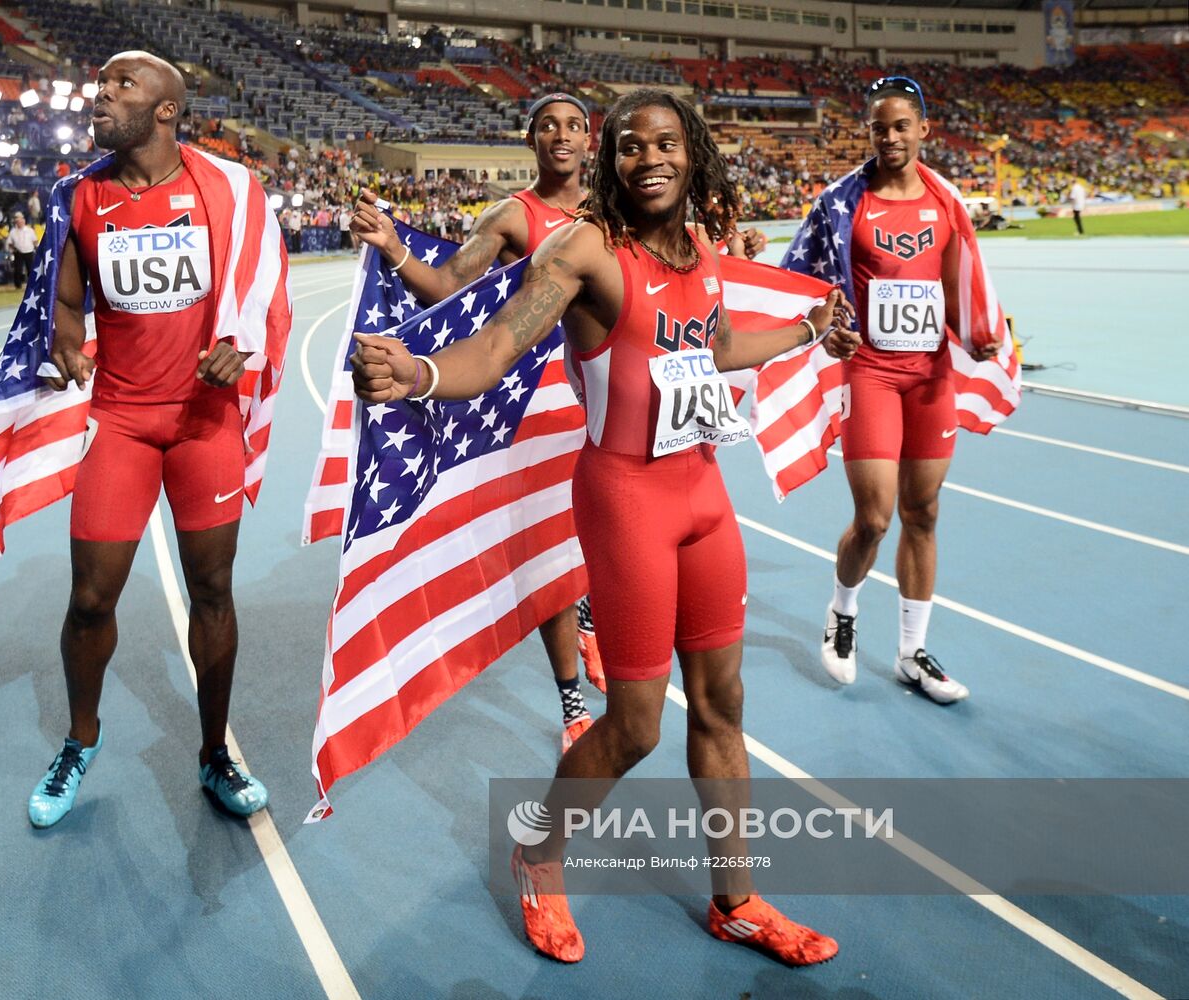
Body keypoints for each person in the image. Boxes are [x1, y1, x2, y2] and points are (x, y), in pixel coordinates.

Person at [352, 89, 856, 967]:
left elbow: (715, 343)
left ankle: (734, 901)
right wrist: (423, 374)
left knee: (722, 703)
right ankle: (538, 853)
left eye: (665, 143)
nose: (648, 158)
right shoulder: (581, 247)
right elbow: (501, 344)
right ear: (610, 160)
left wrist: (808, 329)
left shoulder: (697, 248)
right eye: (629, 146)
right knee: (633, 726)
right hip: (626, 501)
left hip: (702, 495)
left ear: (691, 153)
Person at [27, 50, 283, 828]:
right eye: (98, 85)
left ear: (166, 109)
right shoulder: (81, 197)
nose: (99, 95)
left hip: (204, 421)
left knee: (212, 591)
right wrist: (68, 342)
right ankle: (80, 739)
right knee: (89, 596)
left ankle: (213, 751)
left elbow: (263, 294)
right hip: (123, 421)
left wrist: (243, 346)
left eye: (120, 86)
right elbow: (66, 301)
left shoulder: (230, 192)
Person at [351, 93, 607, 750]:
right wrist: (394, 249)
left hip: (603, 398)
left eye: (574, 125)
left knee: (599, 536)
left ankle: (586, 612)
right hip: (535, 401)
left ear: (590, 140)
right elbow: (448, 288)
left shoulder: (613, 215)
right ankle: (570, 698)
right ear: (530, 138)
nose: (561, 135)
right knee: (553, 547)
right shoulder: (512, 215)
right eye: (546, 124)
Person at [787, 75, 1001, 704]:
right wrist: (824, 334)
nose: (889, 137)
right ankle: (843, 614)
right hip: (872, 372)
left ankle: (913, 653)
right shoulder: (839, 202)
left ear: (923, 130)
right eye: (879, 127)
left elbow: (957, 281)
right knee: (875, 518)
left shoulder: (946, 199)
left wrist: (976, 334)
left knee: (924, 512)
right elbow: (800, 280)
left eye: (901, 125)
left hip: (930, 373)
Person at [6, 211, 38, 287]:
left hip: (29, 251)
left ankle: (32, 284)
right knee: (18, 269)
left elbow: (35, 240)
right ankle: (18, 284)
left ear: (24, 221)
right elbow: (9, 242)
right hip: (18, 252)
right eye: (18, 222)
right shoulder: (13, 232)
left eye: (20, 221)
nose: (19, 223)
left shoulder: (29, 230)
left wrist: (36, 248)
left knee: (30, 268)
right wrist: (13, 249)